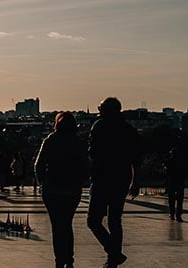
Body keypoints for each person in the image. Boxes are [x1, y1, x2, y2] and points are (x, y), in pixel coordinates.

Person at [86, 97, 140, 268]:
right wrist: (135, 180)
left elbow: (92, 152)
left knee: (93, 221)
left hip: (102, 178)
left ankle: (114, 253)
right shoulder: (128, 129)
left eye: (100, 107)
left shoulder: (99, 126)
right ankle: (113, 258)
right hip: (121, 178)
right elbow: (135, 158)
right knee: (115, 220)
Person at [35, 111, 87, 268]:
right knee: (67, 224)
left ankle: (59, 260)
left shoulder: (50, 140)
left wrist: (42, 182)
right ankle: (69, 259)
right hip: (71, 190)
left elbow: (39, 165)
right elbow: (85, 165)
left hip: (52, 189)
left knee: (57, 227)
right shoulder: (77, 142)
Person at [164, 132, 188, 222]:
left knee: (171, 197)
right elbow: (187, 166)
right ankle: (178, 214)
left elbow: (167, 163)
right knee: (179, 197)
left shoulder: (172, 153)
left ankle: (172, 213)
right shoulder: (184, 155)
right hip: (180, 177)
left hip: (172, 177)